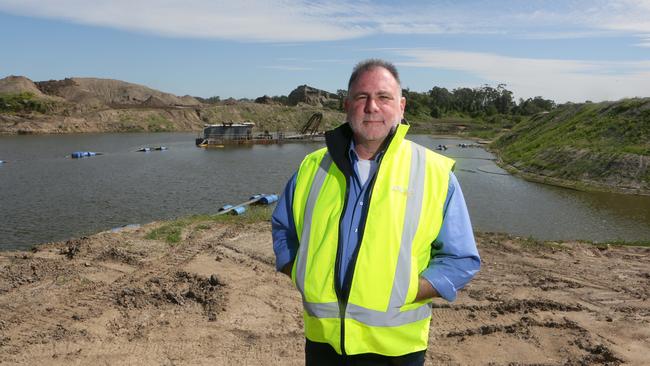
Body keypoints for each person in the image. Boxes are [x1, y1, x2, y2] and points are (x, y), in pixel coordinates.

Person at [272, 59, 480, 365]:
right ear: (347, 105)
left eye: (384, 97)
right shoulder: (312, 167)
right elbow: (283, 229)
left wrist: (405, 290)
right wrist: (302, 273)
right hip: (323, 343)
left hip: (396, 350)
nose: (372, 107)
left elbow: (460, 260)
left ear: (401, 106)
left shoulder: (434, 173)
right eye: (361, 97)